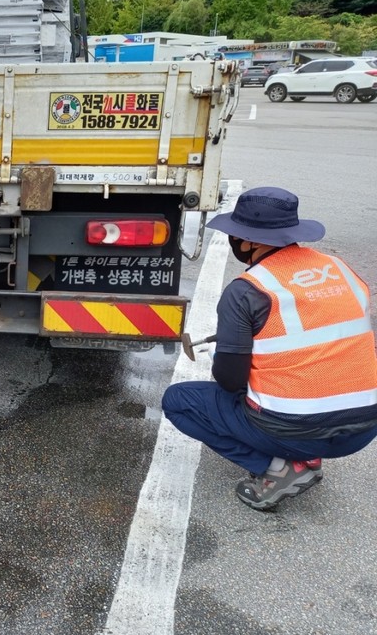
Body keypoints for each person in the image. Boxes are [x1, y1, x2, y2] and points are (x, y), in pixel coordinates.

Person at [162, 187, 377, 511]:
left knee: (179, 401)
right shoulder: (339, 269)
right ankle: (305, 452)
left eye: (237, 235)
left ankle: (281, 468)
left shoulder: (247, 291)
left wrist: (239, 345)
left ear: (248, 241)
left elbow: (230, 380)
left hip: (295, 429)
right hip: (365, 427)